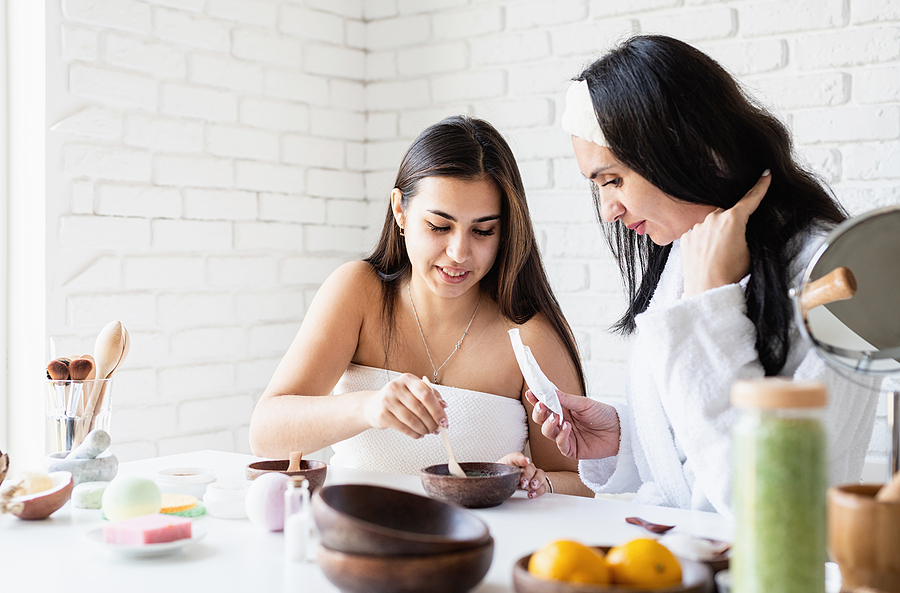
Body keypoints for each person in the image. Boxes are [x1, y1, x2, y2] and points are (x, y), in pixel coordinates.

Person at [528, 35, 879, 514]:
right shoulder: (690, 247)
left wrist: (712, 303)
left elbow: (764, 500)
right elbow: (693, 448)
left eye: (613, 180)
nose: (609, 210)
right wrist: (625, 437)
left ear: (683, 148)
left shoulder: (834, 276)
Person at [250, 115, 594, 498]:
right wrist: (368, 408)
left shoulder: (531, 335)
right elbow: (266, 435)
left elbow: (582, 483)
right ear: (400, 210)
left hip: (476, 549)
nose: (459, 252)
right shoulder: (358, 293)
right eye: (439, 226)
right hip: (354, 534)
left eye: (483, 231)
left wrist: (537, 482)